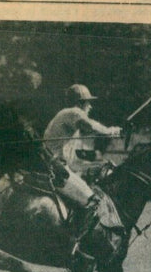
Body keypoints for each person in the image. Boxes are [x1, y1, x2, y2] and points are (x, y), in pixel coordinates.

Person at [43, 84, 121, 219]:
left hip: (56, 166)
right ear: (80, 103)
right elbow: (90, 126)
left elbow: (73, 161)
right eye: (88, 103)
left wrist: (98, 164)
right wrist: (112, 131)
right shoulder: (73, 112)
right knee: (93, 202)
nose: (90, 107)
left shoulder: (66, 118)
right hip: (56, 169)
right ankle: (76, 238)